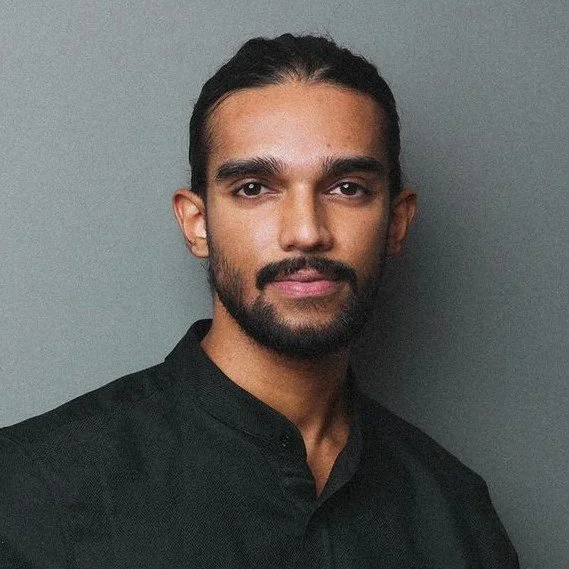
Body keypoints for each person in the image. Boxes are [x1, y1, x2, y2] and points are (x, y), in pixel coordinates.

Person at [0, 34, 518, 568]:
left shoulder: (458, 514)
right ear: (197, 224)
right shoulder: (32, 491)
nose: (306, 233)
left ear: (397, 222)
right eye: (254, 188)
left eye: (347, 188)